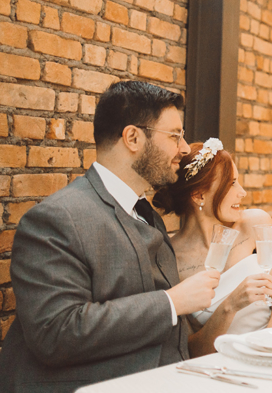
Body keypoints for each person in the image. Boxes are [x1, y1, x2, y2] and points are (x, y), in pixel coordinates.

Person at [0, 81, 222, 392]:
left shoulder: (146, 214)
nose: (185, 148)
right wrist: (171, 302)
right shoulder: (55, 219)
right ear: (133, 137)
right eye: (175, 135)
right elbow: (55, 332)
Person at [153, 140, 272, 357]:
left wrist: (262, 357)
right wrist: (229, 306)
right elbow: (192, 350)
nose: (241, 192)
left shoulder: (255, 223)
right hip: (222, 364)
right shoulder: (169, 259)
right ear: (199, 196)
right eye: (231, 183)